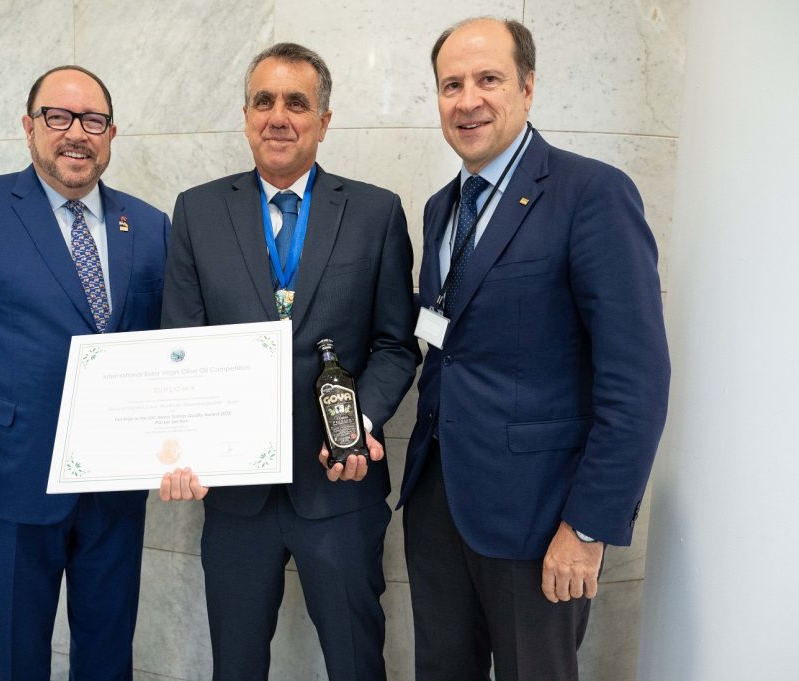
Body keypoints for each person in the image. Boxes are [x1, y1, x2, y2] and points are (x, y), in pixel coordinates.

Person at [397, 17, 670, 681]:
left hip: (540, 517)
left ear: (527, 87)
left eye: (488, 79)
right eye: (450, 84)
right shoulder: (441, 208)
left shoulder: (591, 194)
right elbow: (447, 343)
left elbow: (636, 379)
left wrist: (587, 527)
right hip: (439, 503)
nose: (468, 100)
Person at [159, 42, 419, 680]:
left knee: (357, 664)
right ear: (246, 116)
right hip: (234, 497)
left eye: (296, 103)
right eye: (264, 101)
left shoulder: (376, 211)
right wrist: (177, 448)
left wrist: (361, 420)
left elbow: (394, 343)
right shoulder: (197, 210)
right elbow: (180, 347)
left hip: (339, 487)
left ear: (323, 120)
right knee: (236, 665)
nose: (279, 116)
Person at [0, 65, 170, 680]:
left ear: (111, 133)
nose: (76, 133)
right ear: (29, 127)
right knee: (16, 653)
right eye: (59, 117)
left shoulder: (150, 225)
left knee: (108, 648)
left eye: (93, 121)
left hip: (116, 482)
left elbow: (169, 344)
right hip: (8, 476)